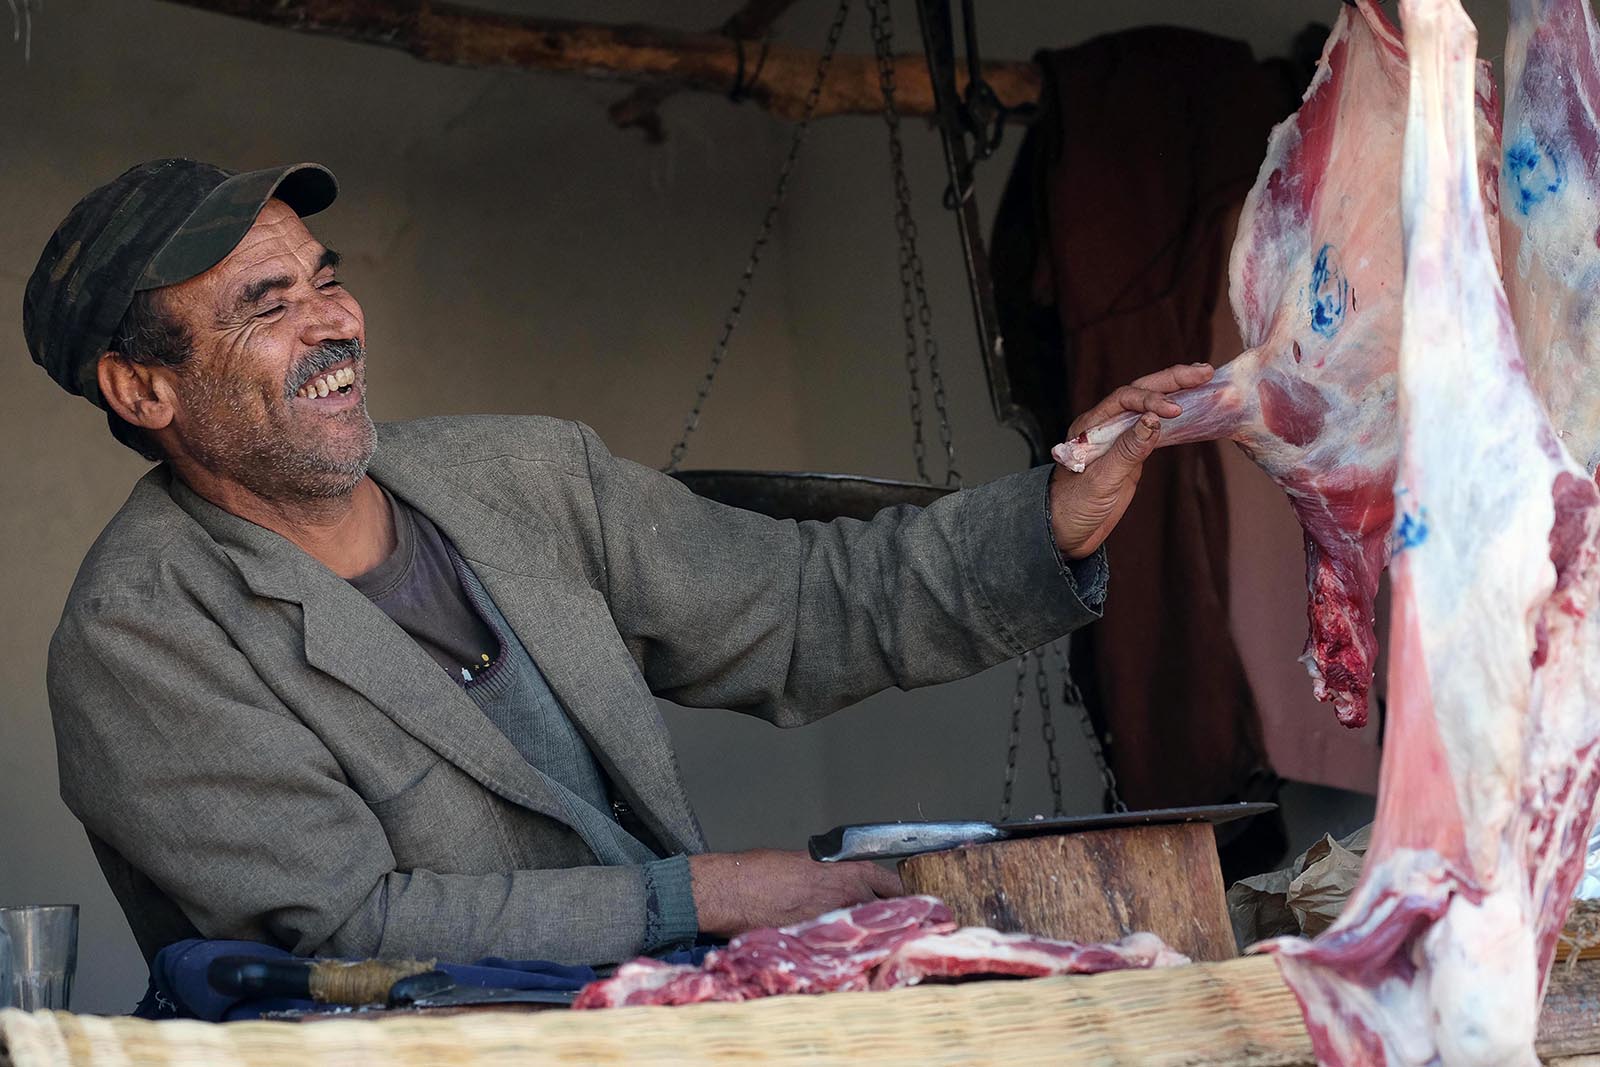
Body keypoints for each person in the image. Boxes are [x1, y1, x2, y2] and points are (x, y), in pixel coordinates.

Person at [24, 159, 1211, 971]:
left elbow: (801, 605)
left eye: (326, 276)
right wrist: (700, 895)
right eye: (265, 303)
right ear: (144, 389)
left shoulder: (522, 479)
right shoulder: (138, 637)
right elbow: (345, 930)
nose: (334, 322)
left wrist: (1049, 521)